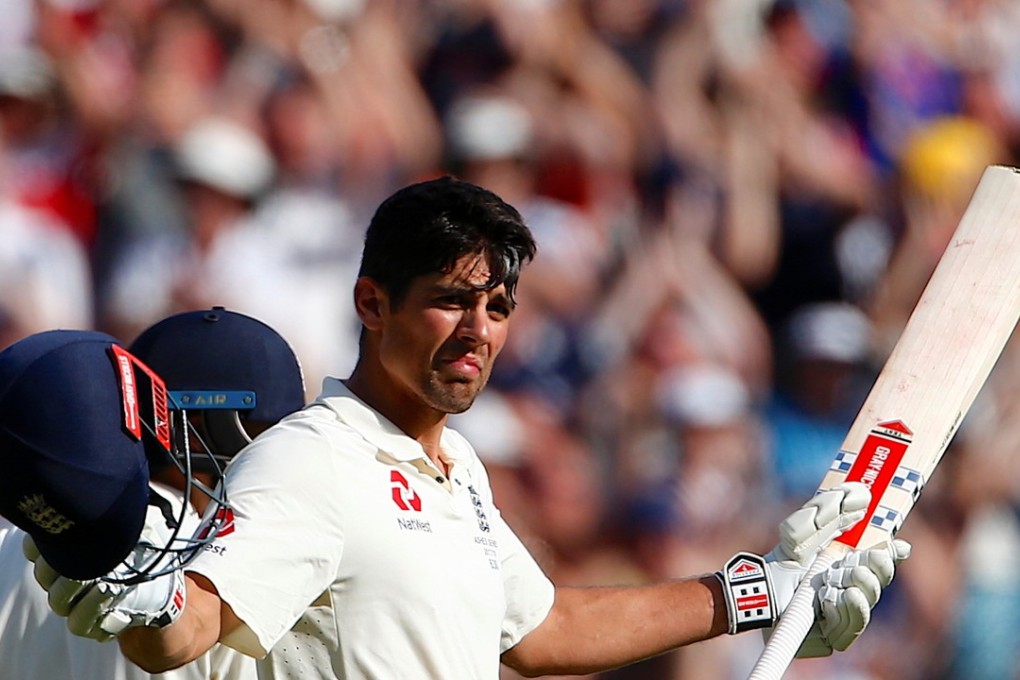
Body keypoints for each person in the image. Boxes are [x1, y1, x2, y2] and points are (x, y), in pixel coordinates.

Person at [27, 177, 909, 678]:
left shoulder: (459, 468)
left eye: (497, 306)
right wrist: (106, 566)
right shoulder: (311, 459)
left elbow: (544, 632)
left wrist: (756, 592)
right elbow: (181, 632)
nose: (479, 330)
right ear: (372, 303)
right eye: (450, 300)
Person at [0, 307, 306, 680]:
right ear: (197, 426)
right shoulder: (213, 561)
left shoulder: (16, 540)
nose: (284, 452)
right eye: (269, 429)